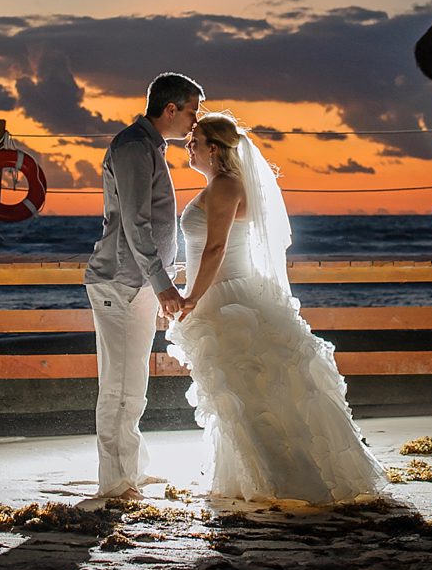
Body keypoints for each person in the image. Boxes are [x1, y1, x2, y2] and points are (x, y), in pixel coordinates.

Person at [167, 112, 387, 504]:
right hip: (228, 288)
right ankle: (249, 475)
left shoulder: (224, 186)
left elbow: (217, 248)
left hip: (225, 296)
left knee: (245, 389)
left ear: (213, 149)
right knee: (247, 389)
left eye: (195, 141)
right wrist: (187, 273)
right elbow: (212, 248)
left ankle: (283, 478)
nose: (189, 146)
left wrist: (191, 297)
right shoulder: (225, 184)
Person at [84, 71, 205, 500]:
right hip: (121, 280)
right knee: (119, 383)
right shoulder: (134, 147)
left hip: (132, 282)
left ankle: (130, 469)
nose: (195, 121)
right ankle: (114, 481)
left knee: (132, 381)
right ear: (169, 109)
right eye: (191, 111)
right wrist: (163, 284)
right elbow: (136, 224)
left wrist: (157, 284)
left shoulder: (146, 146)